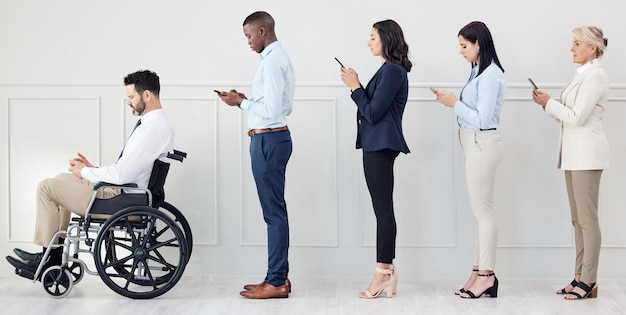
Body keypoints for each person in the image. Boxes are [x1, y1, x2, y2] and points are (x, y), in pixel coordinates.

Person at [6, 70, 174, 277]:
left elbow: (122, 175)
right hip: (124, 192)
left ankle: (49, 258)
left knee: (47, 187)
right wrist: (92, 169)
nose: (128, 102)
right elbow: (128, 170)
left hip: (122, 199)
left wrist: (87, 171)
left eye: (131, 97)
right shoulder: (153, 126)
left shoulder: (152, 130)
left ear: (146, 95)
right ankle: (52, 254)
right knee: (61, 179)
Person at [217, 11, 295, 299]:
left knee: (273, 214)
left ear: (263, 31)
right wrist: (244, 101)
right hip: (270, 140)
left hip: (269, 142)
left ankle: (276, 281)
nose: (248, 42)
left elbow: (274, 110)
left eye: (249, 35)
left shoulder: (274, 61)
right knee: (274, 212)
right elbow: (275, 104)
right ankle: (278, 278)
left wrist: (243, 102)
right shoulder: (273, 59)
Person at [531, 26, 609, 300]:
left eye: (577, 43)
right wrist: (547, 104)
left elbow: (577, 117)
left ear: (593, 48)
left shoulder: (596, 75)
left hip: (587, 156)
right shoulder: (583, 75)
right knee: (578, 220)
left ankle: (589, 280)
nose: (572, 48)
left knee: (588, 220)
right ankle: (579, 276)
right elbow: (569, 117)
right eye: (573, 43)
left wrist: (550, 102)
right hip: (574, 155)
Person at [339, 19, 411, 299]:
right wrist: (356, 84)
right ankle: (387, 272)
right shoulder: (387, 70)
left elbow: (372, 113)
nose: (368, 42)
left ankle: (383, 272)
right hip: (376, 145)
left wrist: (355, 86)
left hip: (381, 145)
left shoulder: (393, 71)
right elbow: (372, 106)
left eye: (372, 37)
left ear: (386, 39)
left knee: (383, 211)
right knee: (382, 209)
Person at [433, 21, 505, 299]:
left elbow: (484, 119)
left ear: (478, 44)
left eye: (464, 46)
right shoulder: (478, 72)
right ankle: (479, 270)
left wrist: (455, 104)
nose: (461, 51)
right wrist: (454, 104)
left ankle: (487, 275)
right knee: (480, 214)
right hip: (474, 144)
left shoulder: (490, 76)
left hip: (482, 144)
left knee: (484, 213)